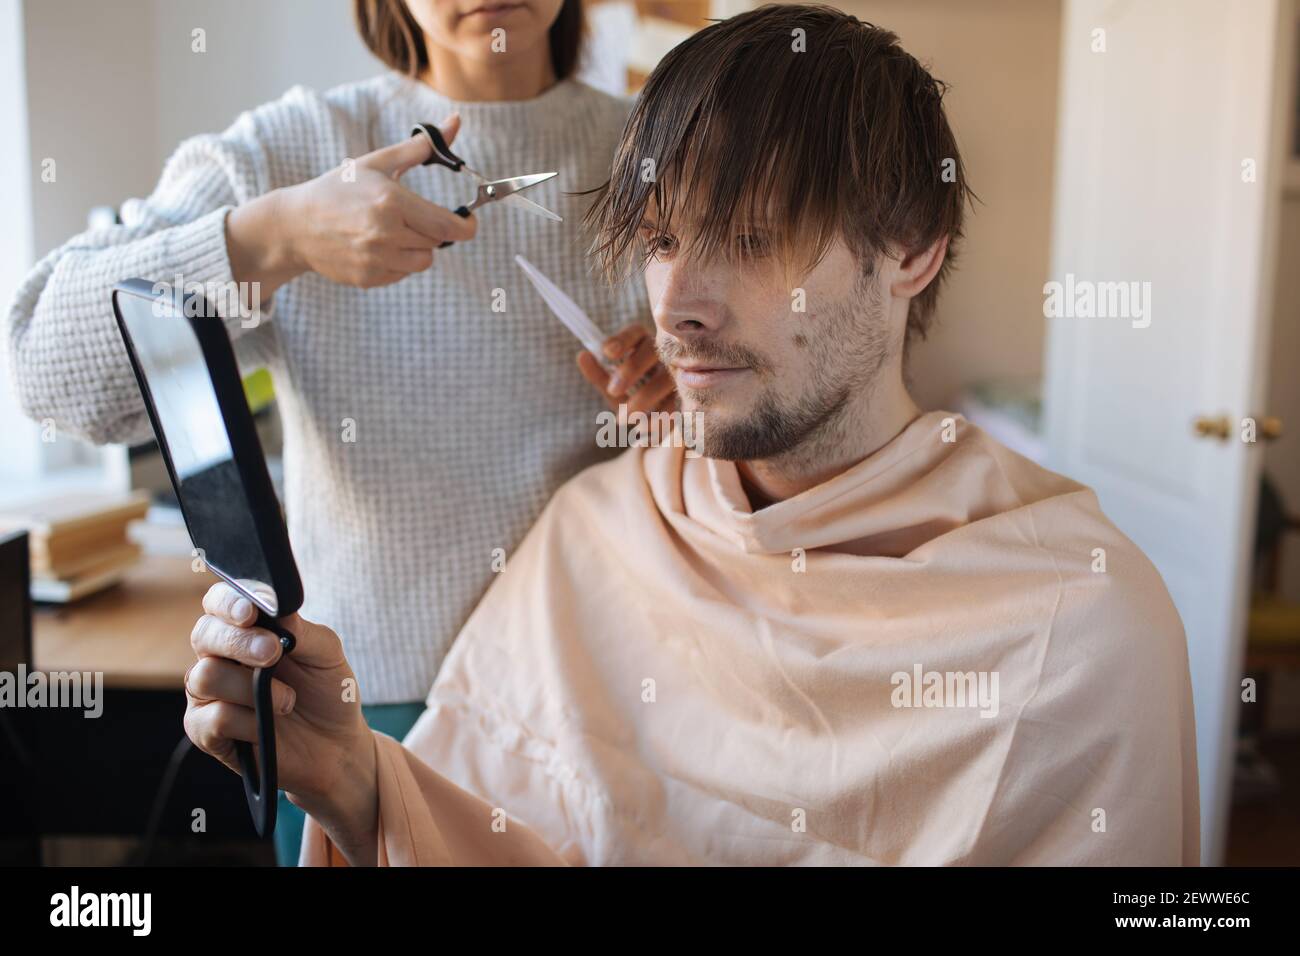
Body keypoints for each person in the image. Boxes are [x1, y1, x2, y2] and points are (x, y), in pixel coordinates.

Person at [183, 4, 1200, 866]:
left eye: (751, 239)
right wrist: (356, 779)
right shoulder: (602, 527)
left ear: (914, 253)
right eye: (662, 241)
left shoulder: (1079, 625)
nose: (678, 307)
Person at [3, 0, 672, 864]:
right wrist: (269, 239)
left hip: (603, 714)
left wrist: (696, 392)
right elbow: (42, 370)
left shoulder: (663, 154)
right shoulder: (294, 151)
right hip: (355, 716)